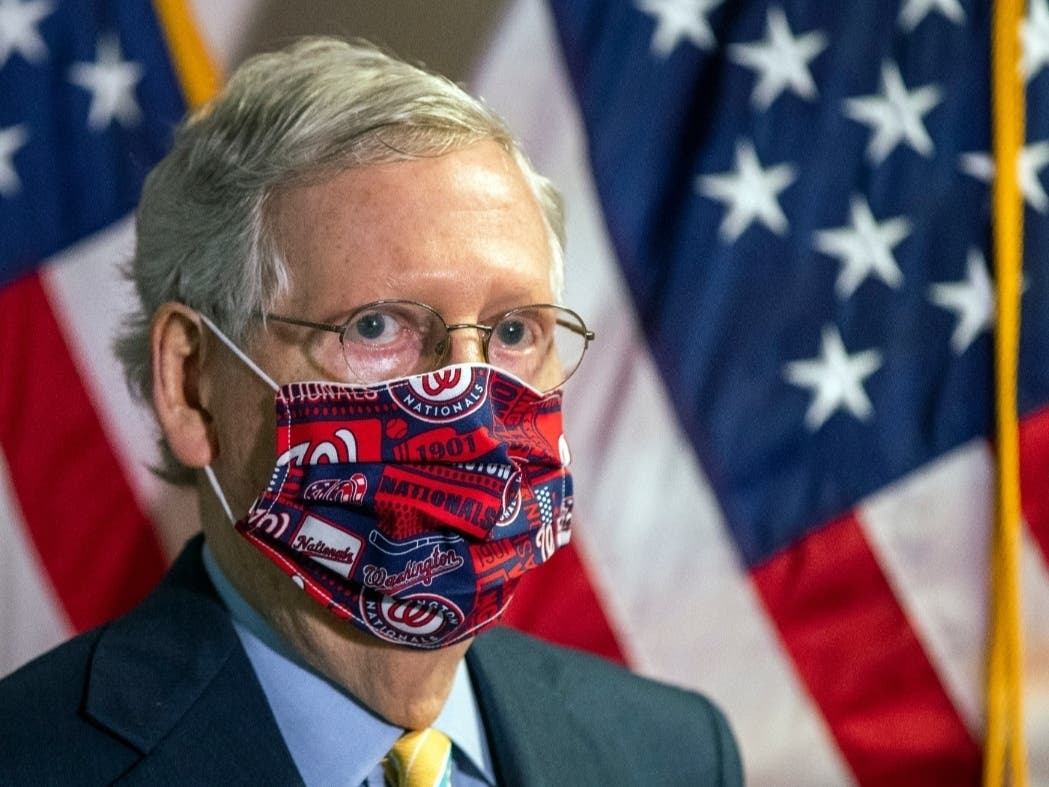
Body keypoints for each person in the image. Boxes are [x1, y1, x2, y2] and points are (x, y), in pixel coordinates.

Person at [0, 37, 742, 785]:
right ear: (192, 384)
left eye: (514, 331)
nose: (471, 408)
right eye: (376, 326)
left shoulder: (673, 752)